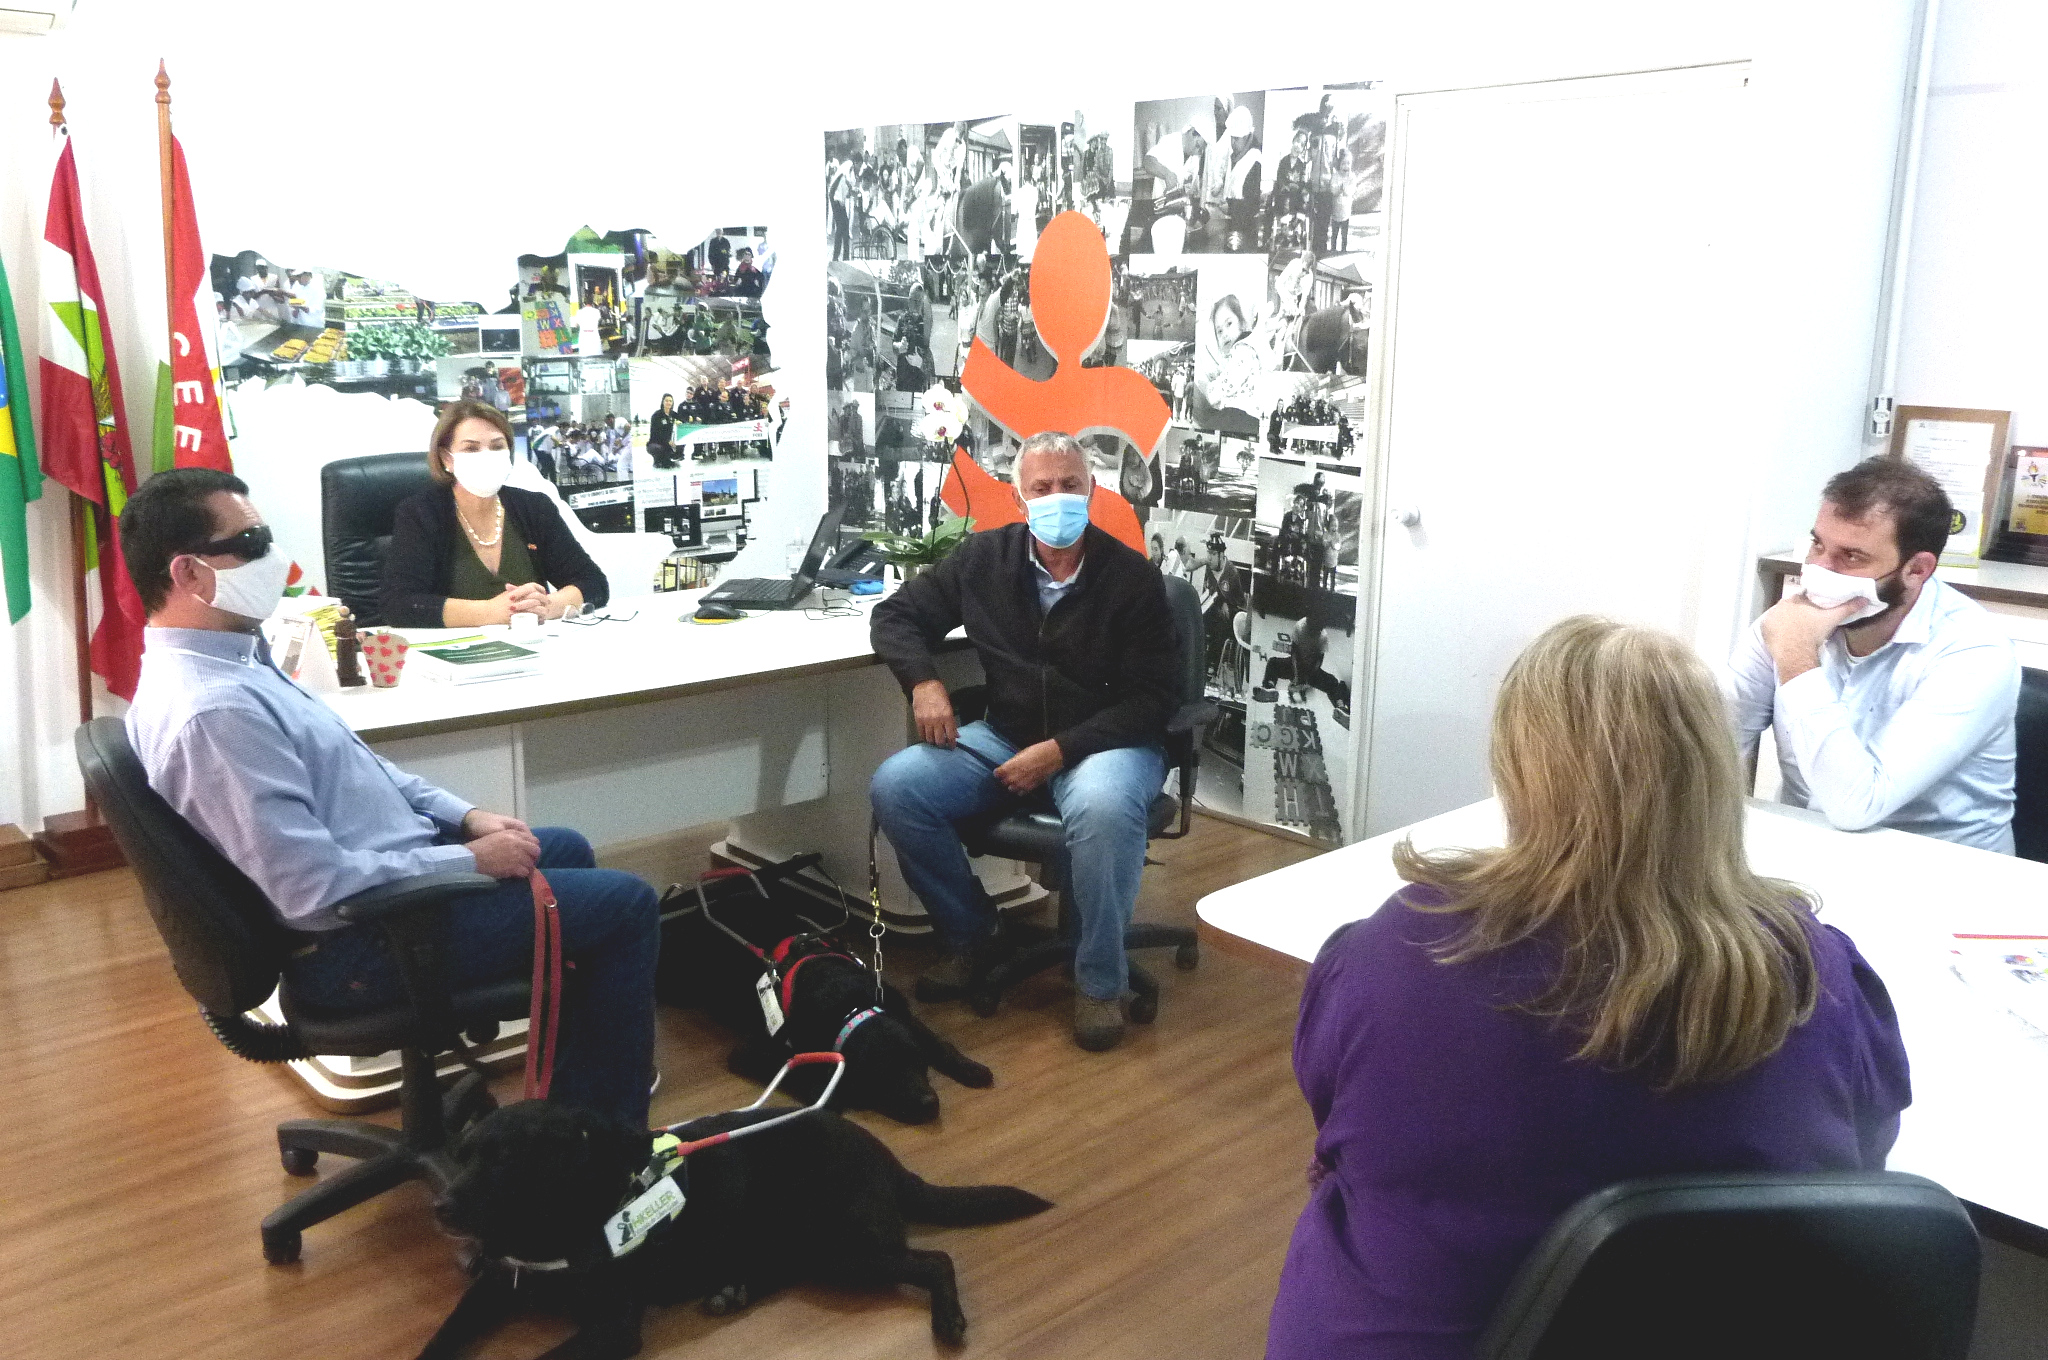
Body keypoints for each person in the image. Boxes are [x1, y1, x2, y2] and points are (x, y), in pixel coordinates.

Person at [1268, 616, 1911, 1359]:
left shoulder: (1401, 950)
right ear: (1707, 772)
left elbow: (1332, 1123)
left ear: (1521, 769)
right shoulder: (1816, 977)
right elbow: (1863, 1163)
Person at [119, 468, 660, 1128]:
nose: (275, 556)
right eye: (251, 540)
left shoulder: (234, 658)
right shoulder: (214, 711)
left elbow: (362, 769)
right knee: (628, 905)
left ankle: (577, 1099)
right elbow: (312, 889)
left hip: (380, 886)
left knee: (566, 848)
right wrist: (471, 861)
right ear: (191, 575)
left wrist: (466, 818)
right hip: (360, 945)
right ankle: (597, 1140)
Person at [869, 432, 1176, 1052]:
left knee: (1103, 807)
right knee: (898, 787)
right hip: (1007, 734)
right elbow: (896, 616)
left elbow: (1154, 699)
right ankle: (974, 937)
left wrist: (1060, 750)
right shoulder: (984, 560)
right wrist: (925, 683)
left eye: (1070, 485)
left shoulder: (1132, 579)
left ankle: (1099, 982)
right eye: (1043, 488)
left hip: (1107, 742)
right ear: (1019, 497)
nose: (1057, 498)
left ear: (1092, 490)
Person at [1726, 457, 2020, 852]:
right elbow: (1709, 746)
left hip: (1941, 868)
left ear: (1916, 570)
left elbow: (1858, 805)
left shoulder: (1975, 652)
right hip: (1808, 847)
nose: (1818, 571)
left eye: (1851, 557)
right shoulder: (1790, 621)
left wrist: (1797, 657)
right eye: (1818, 544)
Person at [381, 400, 609, 628]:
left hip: (534, 647)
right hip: (456, 655)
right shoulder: (421, 513)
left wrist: (546, 606)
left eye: (497, 446)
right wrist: (490, 612)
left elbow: (594, 583)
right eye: (471, 448)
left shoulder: (534, 507)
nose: (487, 455)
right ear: (446, 458)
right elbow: (399, 605)